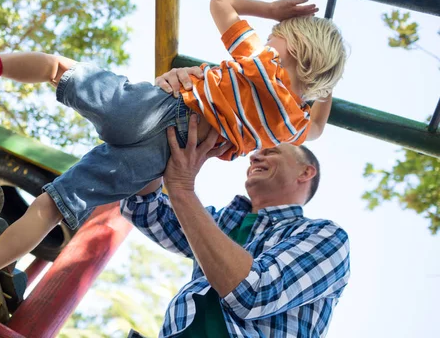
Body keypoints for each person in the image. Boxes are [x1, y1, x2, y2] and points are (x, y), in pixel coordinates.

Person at [0, 0, 347, 318]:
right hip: (167, 159)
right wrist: (323, 85)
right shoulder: (291, 125)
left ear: (287, 44)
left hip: (156, 108)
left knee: (59, 69)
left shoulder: (260, 59)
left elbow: (220, 3)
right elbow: (320, 123)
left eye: (277, 36)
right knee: (52, 207)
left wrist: (271, 11)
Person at [123, 82, 350, 336]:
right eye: (256, 152)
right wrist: (169, 130)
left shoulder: (325, 236)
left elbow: (255, 292)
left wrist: (181, 188)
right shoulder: (222, 223)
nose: (254, 156)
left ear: (305, 172)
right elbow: (145, 209)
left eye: (272, 151)